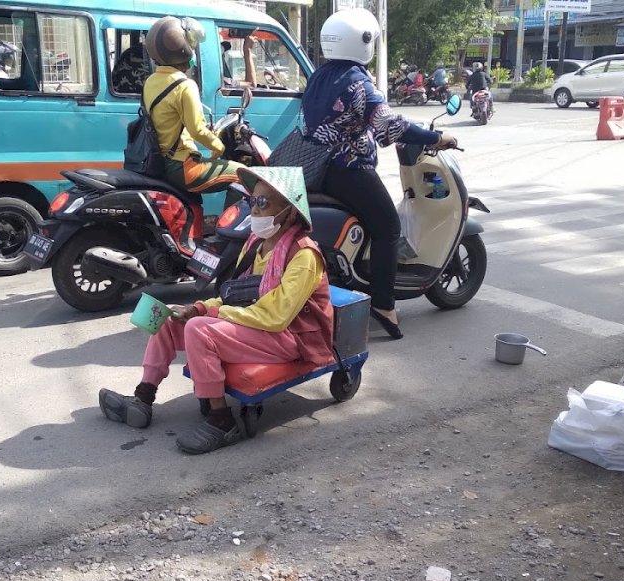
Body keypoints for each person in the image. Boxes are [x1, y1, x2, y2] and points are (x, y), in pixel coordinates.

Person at [99, 166, 334, 454]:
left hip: (291, 337)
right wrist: (197, 307)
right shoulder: (256, 245)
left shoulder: (304, 255)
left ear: (288, 210)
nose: (254, 210)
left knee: (200, 329)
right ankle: (143, 398)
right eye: (252, 202)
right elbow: (236, 296)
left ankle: (223, 421)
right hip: (259, 327)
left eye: (262, 203)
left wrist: (209, 315)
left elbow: (276, 317)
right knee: (168, 318)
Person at [301, 8, 456, 340]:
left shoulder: (319, 76)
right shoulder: (358, 82)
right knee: (388, 227)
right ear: (364, 42)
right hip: (348, 170)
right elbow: (389, 126)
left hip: (316, 167)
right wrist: (435, 137)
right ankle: (385, 305)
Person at [143, 16, 243, 202]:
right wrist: (219, 147)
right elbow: (197, 130)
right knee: (243, 175)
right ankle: (231, 229)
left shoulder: (150, 82)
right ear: (183, 50)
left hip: (159, 163)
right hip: (181, 167)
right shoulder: (185, 85)